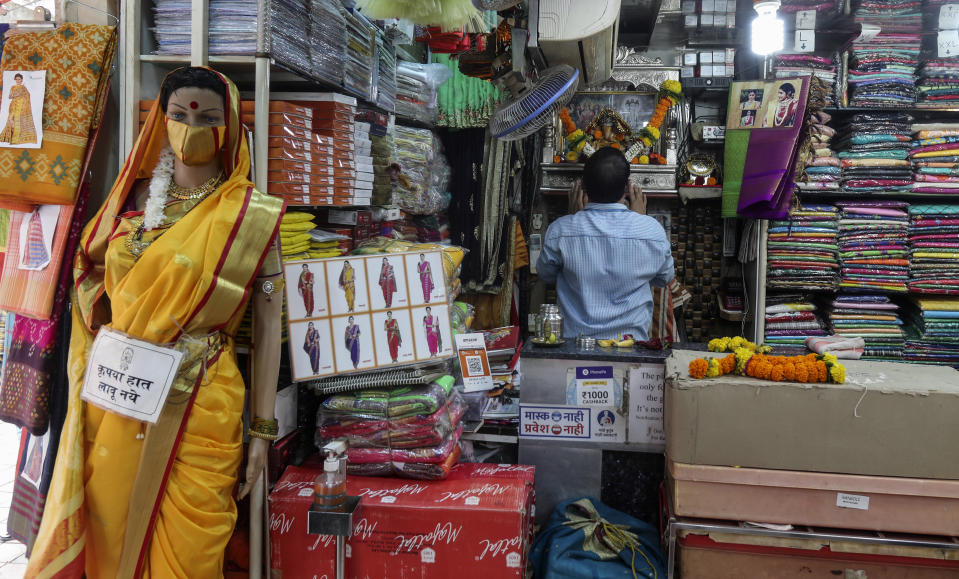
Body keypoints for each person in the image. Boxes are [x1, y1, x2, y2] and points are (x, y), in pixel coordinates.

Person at [26, 67, 285, 578]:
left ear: (229, 128)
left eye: (209, 117)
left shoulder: (248, 217)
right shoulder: (131, 204)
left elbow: (271, 317)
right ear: (159, 123)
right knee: (109, 526)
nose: (192, 127)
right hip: (119, 394)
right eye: (179, 115)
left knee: (189, 551)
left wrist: (261, 431)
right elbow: (86, 276)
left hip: (201, 399)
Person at [536, 147, 674, 341]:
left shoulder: (561, 230)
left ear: (583, 185)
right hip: (631, 347)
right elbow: (664, 278)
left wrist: (573, 219)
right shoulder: (652, 231)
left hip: (574, 347)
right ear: (627, 187)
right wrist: (641, 222)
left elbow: (546, 274)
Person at [0, 72, 37, 145]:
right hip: (13, 105)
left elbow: (27, 96)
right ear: (15, 80)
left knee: (18, 121)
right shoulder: (13, 87)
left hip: (21, 107)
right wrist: (16, 95)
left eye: (19, 79)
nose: (18, 80)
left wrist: (21, 95)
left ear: (22, 80)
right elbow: (10, 97)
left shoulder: (23, 87)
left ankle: (16, 139)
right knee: (11, 120)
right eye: (16, 79)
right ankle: (10, 138)